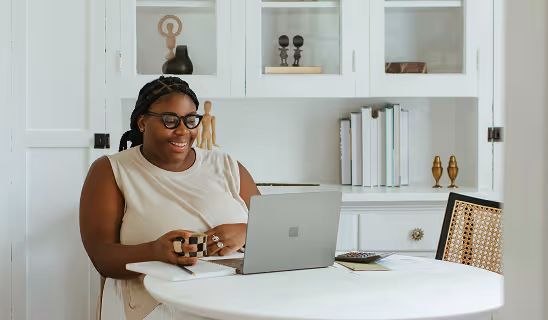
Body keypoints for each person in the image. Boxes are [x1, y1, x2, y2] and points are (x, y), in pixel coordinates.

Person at [79, 76, 261, 320]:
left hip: (235, 304)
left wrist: (246, 231)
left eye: (190, 120)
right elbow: (102, 258)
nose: (183, 130)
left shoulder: (227, 166)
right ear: (142, 122)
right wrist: (155, 251)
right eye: (170, 120)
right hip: (155, 309)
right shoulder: (112, 171)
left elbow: (277, 231)